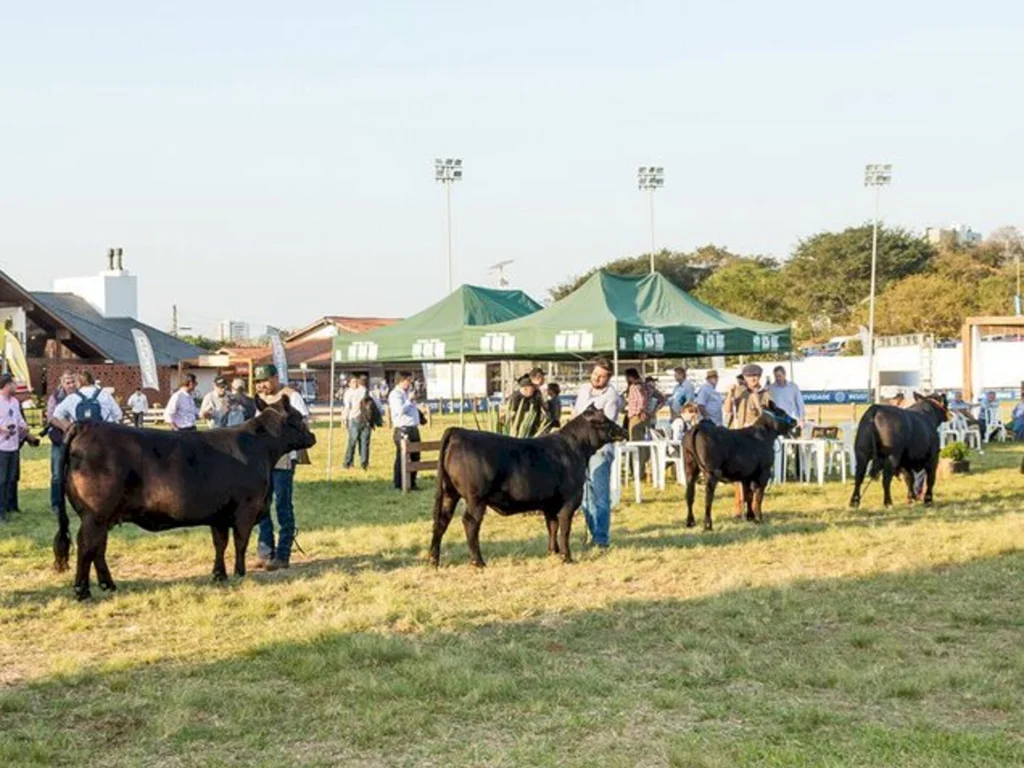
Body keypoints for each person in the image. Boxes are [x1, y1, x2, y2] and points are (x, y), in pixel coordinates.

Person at [253, 364, 310, 570]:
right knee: (261, 503)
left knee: (282, 505)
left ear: (276, 378)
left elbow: (302, 421)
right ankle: (265, 550)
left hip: (284, 458)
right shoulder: (260, 401)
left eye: (265, 381)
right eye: (258, 382)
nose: (262, 386)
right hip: (262, 459)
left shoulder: (291, 396)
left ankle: (283, 553)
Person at [573, 358, 619, 549]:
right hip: (580, 449)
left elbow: (604, 426)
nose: (597, 379)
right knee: (585, 496)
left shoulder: (612, 396)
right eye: (595, 374)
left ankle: (601, 538)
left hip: (600, 450)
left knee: (600, 496)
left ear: (608, 378)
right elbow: (575, 416)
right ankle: (594, 533)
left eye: (602, 376)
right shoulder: (583, 390)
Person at [728, 364, 768, 515]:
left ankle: (754, 506)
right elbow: (727, 410)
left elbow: (764, 415)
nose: (753, 379)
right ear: (745, 378)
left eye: (756, 376)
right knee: (738, 474)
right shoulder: (739, 391)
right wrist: (730, 395)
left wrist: (756, 397)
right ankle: (738, 506)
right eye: (750, 376)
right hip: (739, 436)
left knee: (754, 475)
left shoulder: (765, 393)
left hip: (755, 438)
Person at [44, 371, 77, 517]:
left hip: (77, 440)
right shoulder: (56, 397)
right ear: (62, 383)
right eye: (68, 382)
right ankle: (57, 503)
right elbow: (51, 417)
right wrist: (67, 427)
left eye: (72, 382)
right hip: (60, 439)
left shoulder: (79, 396)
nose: (71, 385)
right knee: (57, 473)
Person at [0, 374, 30, 523]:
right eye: (14, 383)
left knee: (12, 478)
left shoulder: (14, 402)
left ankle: (9, 506)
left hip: (14, 446)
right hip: (1, 446)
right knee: (2, 479)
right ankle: (1, 512)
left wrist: (24, 427)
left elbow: (18, 419)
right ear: (7, 384)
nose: (16, 386)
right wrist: (2, 429)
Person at [51, 370, 123, 430]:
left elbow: (57, 414)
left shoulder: (72, 398)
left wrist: (69, 428)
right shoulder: (105, 394)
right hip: (104, 435)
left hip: (82, 437)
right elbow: (118, 415)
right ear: (92, 380)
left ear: (78, 383)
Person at [389, 372, 422, 490]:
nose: (410, 383)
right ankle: (399, 483)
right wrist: (409, 400)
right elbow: (399, 410)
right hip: (403, 429)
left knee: (416, 456)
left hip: (413, 428)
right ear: (401, 381)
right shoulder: (395, 394)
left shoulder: (407, 393)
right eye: (408, 380)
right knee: (402, 457)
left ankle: (412, 482)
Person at [624, 368, 651, 479]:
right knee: (643, 446)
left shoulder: (634, 387)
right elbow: (661, 398)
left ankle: (636, 472)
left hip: (635, 417)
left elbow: (641, 399)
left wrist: (641, 410)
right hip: (646, 418)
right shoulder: (646, 386)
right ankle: (642, 471)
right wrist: (652, 411)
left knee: (634, 445)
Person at [342, 375, 371, 470]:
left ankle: (364, 463)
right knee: (353, 441)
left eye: (356, 382)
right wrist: (345, 419)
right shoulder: (348, 393)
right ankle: (348, 462)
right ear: (349, 383)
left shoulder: (362, 390)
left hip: (364, 419)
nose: (355, 384)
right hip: (354, 418)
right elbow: (347, 407)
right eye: (352, 382)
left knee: (364, 442)